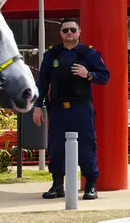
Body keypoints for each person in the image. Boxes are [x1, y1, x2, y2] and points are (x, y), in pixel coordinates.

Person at [33, 18, 109, 200]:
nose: (69, 33)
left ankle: (91, 185)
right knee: (56, 146)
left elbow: (104, 76)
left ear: (79, 32)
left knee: (86, 146)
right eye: (65, 30)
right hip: (58, 109)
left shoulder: (88, 54)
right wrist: (37, 106)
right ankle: (57, 185)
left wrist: (88, 74)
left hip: (81, 108)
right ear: (60, 34)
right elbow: (42, 83)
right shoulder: (52, 55)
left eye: (72, 30)